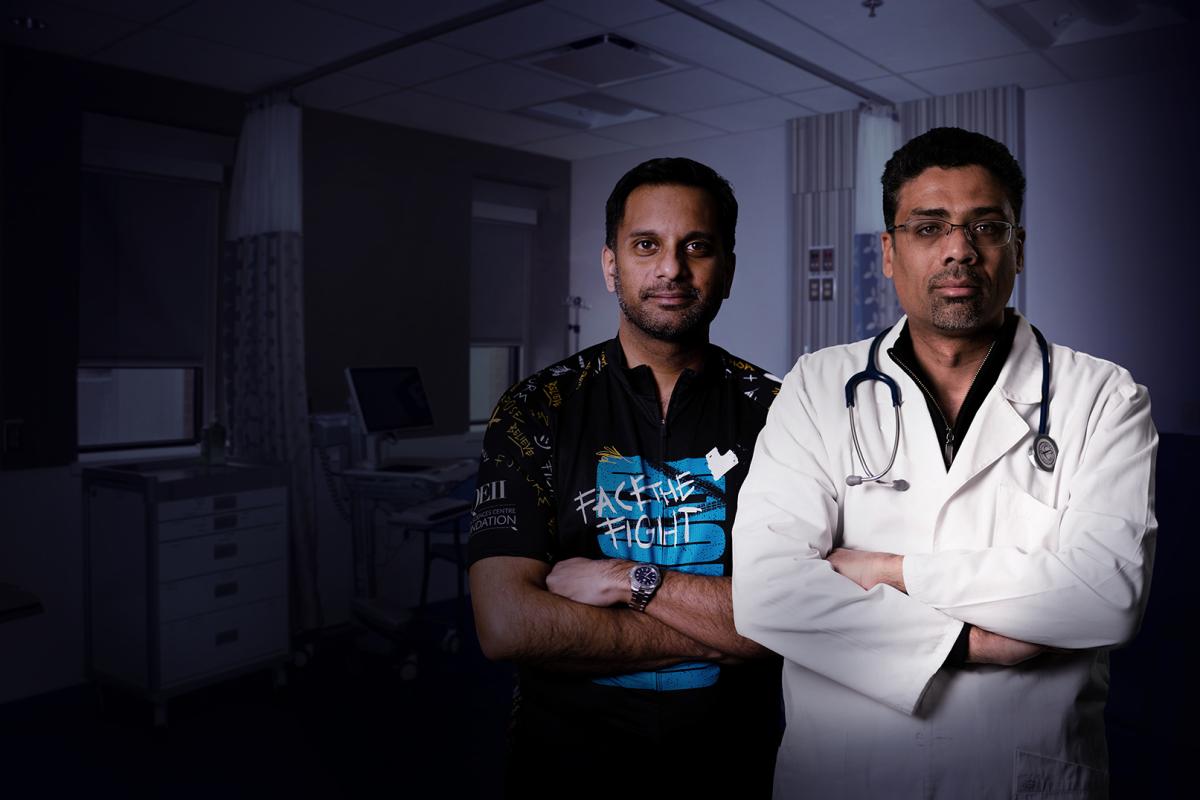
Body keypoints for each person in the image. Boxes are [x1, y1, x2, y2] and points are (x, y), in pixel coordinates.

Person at [732, 127, 1157, 798]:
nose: (959, 250)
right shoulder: (817, 386)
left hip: (1024, 775)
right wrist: (981, 642)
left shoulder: (1103, 396)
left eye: (986, 226)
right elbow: (765, 594)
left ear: (1019, 248)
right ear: (888, 252)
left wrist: (889, 571)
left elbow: (1106, 596)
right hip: (846, 775)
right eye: (929, 228)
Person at [468, 157, 782, 797]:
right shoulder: (535, 408)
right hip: (567, 767)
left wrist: (621, 580)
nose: (671, 268)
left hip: (736, 765)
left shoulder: (782, 412)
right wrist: (725, 631)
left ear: (727, 267)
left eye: (697, 246)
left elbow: (789, 620)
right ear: (610, 264)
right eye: (646, 246)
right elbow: (504, 622)